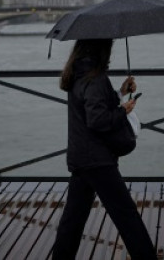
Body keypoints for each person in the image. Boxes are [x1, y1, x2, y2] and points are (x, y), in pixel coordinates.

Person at [51, 39, 158, 259]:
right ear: (102, 49)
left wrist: (120, 93)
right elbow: (97, 119)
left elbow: (91, 105)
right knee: (126, 215)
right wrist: (123, 111)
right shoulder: (96, 78)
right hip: (97, 160)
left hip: (80, 156)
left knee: (73, 219)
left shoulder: (78, 73)